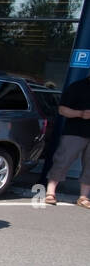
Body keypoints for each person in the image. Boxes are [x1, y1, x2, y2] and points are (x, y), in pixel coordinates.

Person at [42, 72, 90, 209]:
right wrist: (81, 114)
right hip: (75, 132)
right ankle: (50, 192)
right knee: (63, 160)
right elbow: (62, 110)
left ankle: (84, 197)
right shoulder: (77, 87)